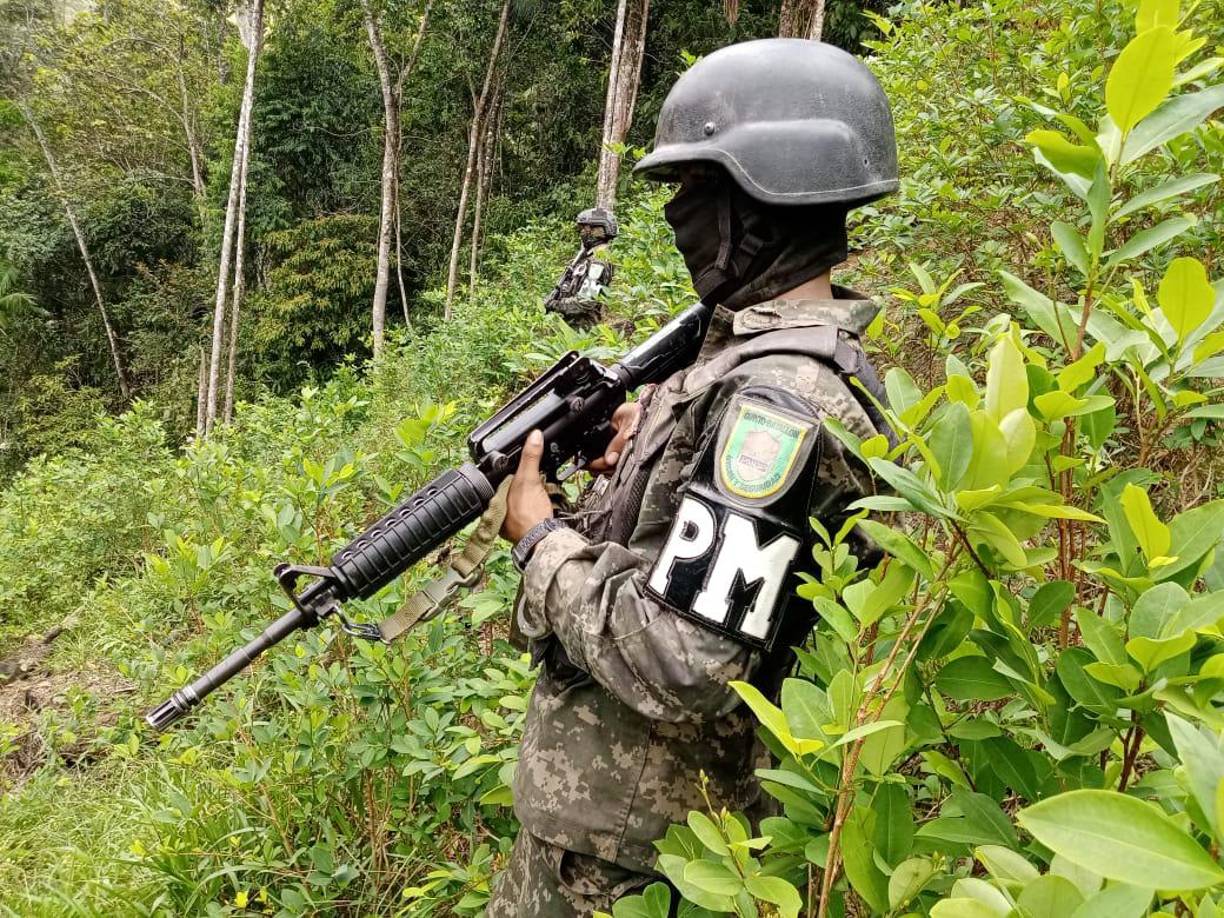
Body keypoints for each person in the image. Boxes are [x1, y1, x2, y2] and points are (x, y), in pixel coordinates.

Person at [486, 37, 898, 917]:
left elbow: (683, 662)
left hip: (642, 860)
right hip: (612, 836)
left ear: (762, 200)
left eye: (693, 190)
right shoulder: (739, 364)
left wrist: (541, 540)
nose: (674, 215)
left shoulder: (778, 401)